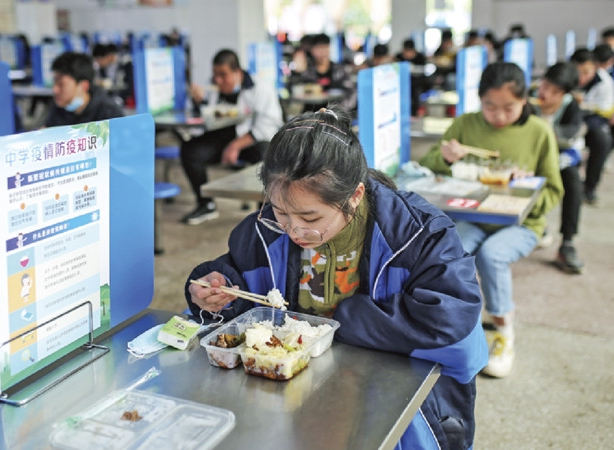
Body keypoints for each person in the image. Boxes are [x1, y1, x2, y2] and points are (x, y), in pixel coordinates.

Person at [186, 108, 487, 449]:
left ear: (354, 196)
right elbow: (239, 278)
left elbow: (451, 320)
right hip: (295, 393)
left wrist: (340, 321)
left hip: (395, 400)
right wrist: (215, 292)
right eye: (281, 211)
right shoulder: (267, 230)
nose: (294, 230)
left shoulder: (417, 234)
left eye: (310, 216)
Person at [419, 62, 564, 378]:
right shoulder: (465, 125)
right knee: (452, 253)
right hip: (472, 219)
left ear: (525, 100)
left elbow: (555, 189)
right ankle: (455, 327)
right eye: (490, 106)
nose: (498, 115)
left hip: (519, 226)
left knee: (492, 255)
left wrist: (526, 198)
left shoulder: (538, 132)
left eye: (509, 108)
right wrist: (445, 157)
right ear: (479, 99)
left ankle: (504, 333)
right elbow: (429, 168)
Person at [180, 49, 283, 225]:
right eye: (215, 75)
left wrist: (235, 145)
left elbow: (268, 125)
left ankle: (264, 213)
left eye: (223, 75)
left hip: (253, 140)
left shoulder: (261, 89)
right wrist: (199, 102)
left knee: (266, 157)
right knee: (190, 150)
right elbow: (209, 116)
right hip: (223, 136)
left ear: (238, 72)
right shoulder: (214, 88)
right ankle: (206, 205)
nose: (218, 80)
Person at [533, 62, 587, 274]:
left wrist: (546, 131)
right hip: (529, 158)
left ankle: (568, 243)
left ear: (564, 93)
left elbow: (570, 140)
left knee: (573, 182)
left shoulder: (571, 107)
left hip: (559, 160)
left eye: (554, 91)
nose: (545, 92)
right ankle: (536, 225)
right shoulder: (528, 100)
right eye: (545, 85)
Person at [569, 48, 614, 205]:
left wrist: (584, 127)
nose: (582, 77)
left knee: (602, 141)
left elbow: (605, 113)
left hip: (590, 124)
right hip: (566, 123)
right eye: (578, 72)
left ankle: (589, 188)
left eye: (586, 72)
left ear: (596, 67)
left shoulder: (605, 83)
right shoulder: (564, 78)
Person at [44, 52, 125, 128]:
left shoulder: (110, 114)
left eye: (61, 84)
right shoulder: (57, 109)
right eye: (54, 83)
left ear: (83, 86)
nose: (55, 90)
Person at [289, 33, 356, 113]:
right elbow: (291, 91)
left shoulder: (340, 70)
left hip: (335, 116)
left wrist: (335, 113)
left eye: (325, 47)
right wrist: (297, 73)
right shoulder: (306, 72)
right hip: (311, 115)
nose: (323, 52)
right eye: (319, 48)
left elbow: (351, 94)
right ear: (312, 50)